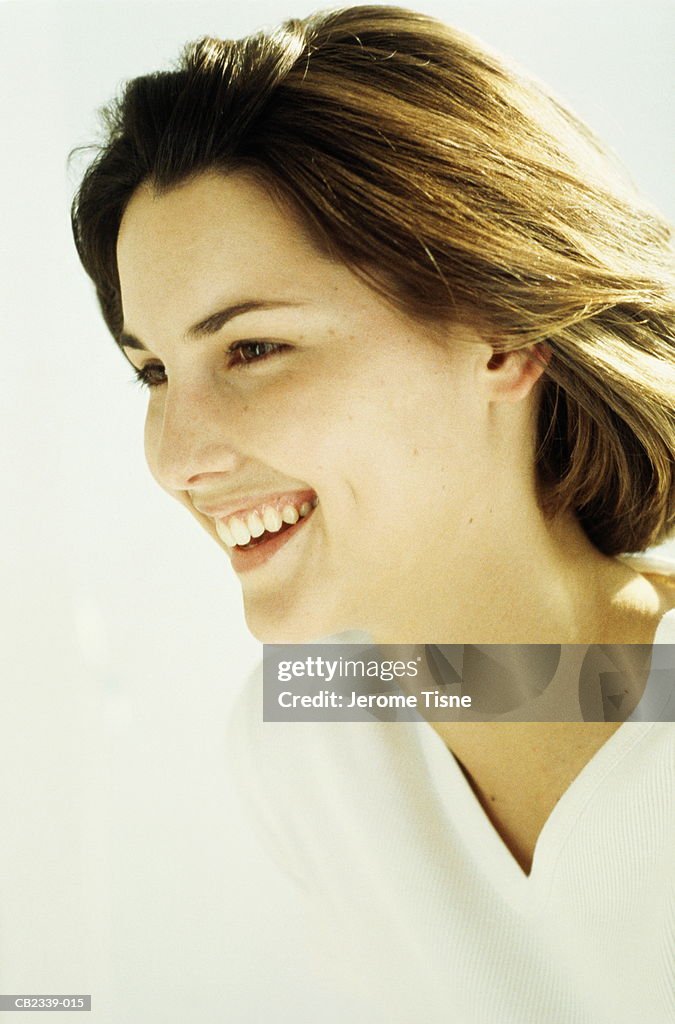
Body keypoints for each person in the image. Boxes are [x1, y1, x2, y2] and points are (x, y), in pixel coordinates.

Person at [71, 6, 675, 1022]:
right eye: (155, 372)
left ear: (504, 330)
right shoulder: (305, 742)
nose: (176, 457)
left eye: (254, 348)